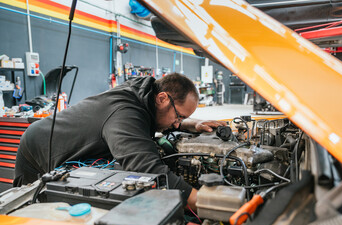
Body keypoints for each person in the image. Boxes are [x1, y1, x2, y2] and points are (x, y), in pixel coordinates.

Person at [14, 72, 226, 210]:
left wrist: (193, 124)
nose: (178, 124)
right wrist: (206, 203)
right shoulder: (126, 112)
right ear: (162, 98)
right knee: (38, 209)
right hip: (37, 148)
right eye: (179, 117)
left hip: (64, 146)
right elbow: (148, 168)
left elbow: (166, 119)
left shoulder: (144, 92)